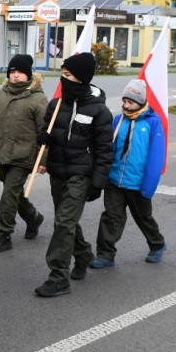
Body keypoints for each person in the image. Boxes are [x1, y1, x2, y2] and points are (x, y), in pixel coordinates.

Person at [34, 52, 114, 298]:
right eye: (62, 74)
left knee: (64, 222)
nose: (63, 79)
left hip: (81, 174)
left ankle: (58, 277)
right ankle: (83, 254)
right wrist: (43, 138)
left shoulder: (99, 111)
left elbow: (104, 151)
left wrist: (97, 183)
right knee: (64, 220)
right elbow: (47, 128)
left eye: (68, 75)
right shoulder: (56, 104)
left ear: (81, 78)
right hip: (58, 171)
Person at [91, 79, 167, 268]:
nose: (126, 105)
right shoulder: (119, 120)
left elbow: (156, 157)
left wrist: (148, 187)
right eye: (124, 101)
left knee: (143, 217)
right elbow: (111, 148)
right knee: (111, 217)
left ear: (140, 102)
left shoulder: (152, 123)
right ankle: (105, 254)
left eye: (131, 102)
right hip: (115, 180)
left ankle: (157, 244)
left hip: (138, 182)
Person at [0, 54, 48, 254]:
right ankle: (33, 217)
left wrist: (43, 160)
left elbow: (45, 133)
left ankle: (4, 234)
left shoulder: (38, 98)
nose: (16, 76)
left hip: (24, 156)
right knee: (14, 192)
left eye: (20, 72)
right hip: (3, 153)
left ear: (29, 75)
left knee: (9, 194)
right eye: (12, 72)